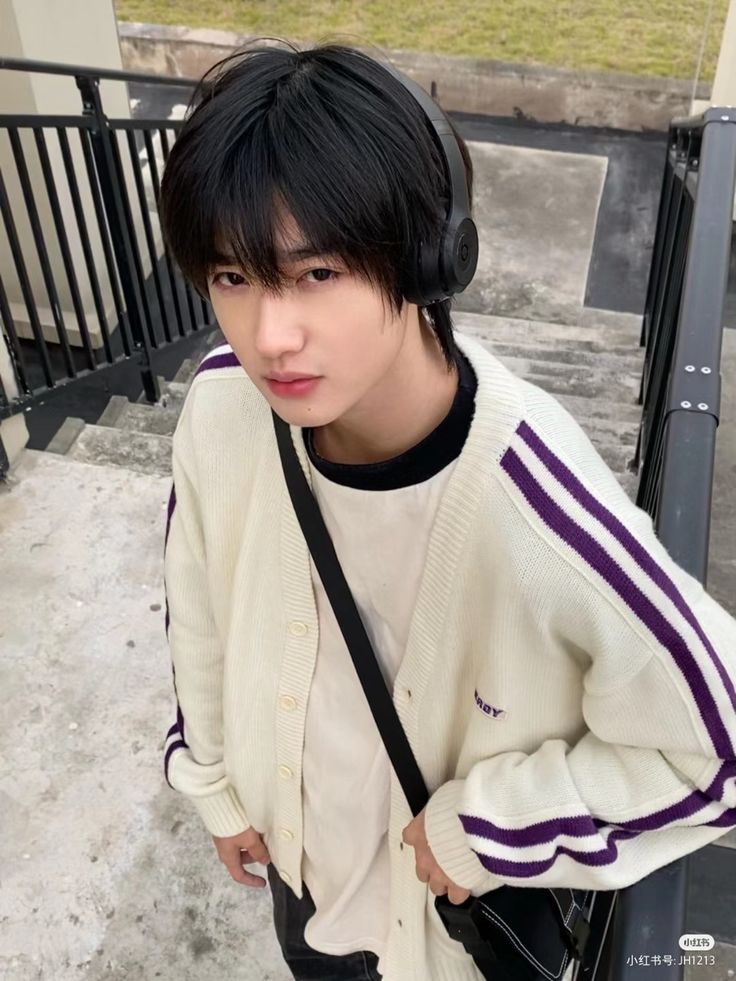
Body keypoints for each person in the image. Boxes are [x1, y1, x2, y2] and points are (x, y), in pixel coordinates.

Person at [158, 40, 736, 981]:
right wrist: (215, 786)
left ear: (432, 254)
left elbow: (718, 745)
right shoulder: (224, 404)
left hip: (445, 938)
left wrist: (496, 824)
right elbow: (198, 611)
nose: (271, 335)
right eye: (233, 277)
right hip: (300, 884)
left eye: (318, 273)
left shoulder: (534, 498)